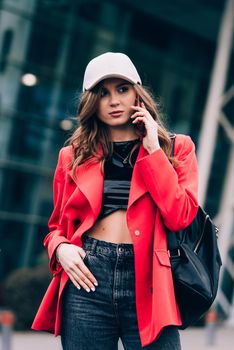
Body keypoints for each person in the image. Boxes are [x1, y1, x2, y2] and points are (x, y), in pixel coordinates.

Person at [32, 52, 199, 349]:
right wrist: (61, 250)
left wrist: (153, 151)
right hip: (87, 278)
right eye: (102, 93)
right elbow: (56, 227)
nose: (113, 101)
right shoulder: (71, 156)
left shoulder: (176, 148)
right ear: (90, 102)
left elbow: (181, 216)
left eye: (122, 89)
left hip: (149, 278)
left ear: (137, 92)